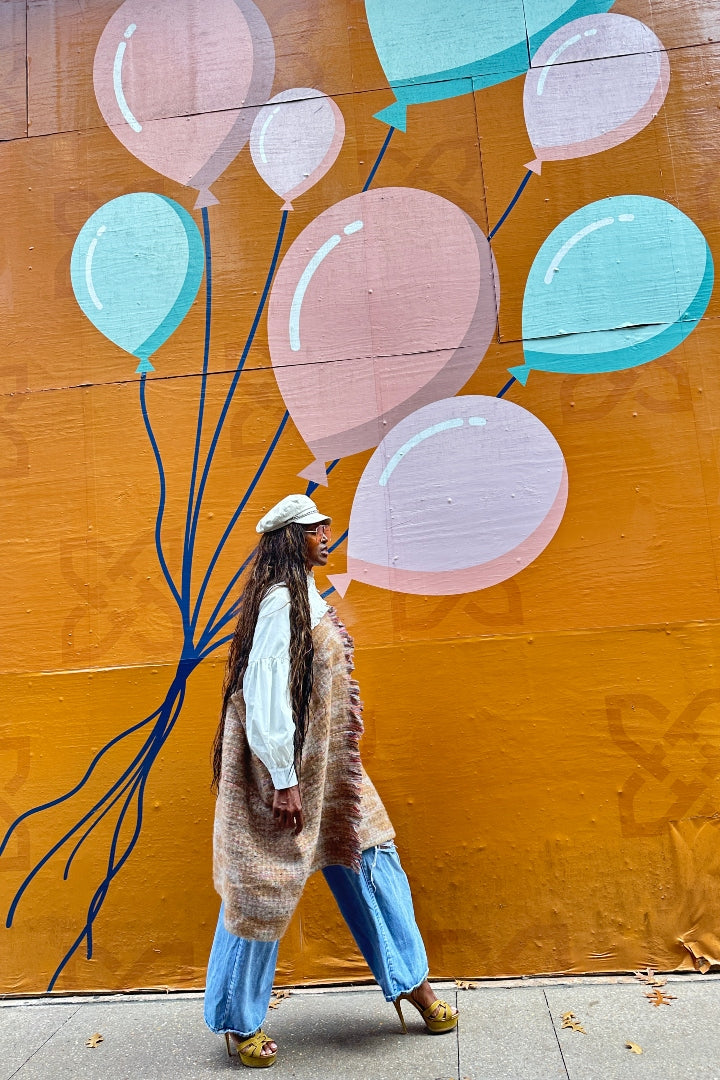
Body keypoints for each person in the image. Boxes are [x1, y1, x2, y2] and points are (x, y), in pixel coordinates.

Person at [204, 494, 457, 1068]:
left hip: (333, 771)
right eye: (316, 529)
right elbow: (263, 696)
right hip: (286, 776)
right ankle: (238, 1021)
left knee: (373, 859)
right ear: (291, 538)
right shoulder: (276, 603)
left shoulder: (306, 599)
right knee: (259, 890)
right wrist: (284, 780)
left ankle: (415, 988)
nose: (326, 535)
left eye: (326, 527)